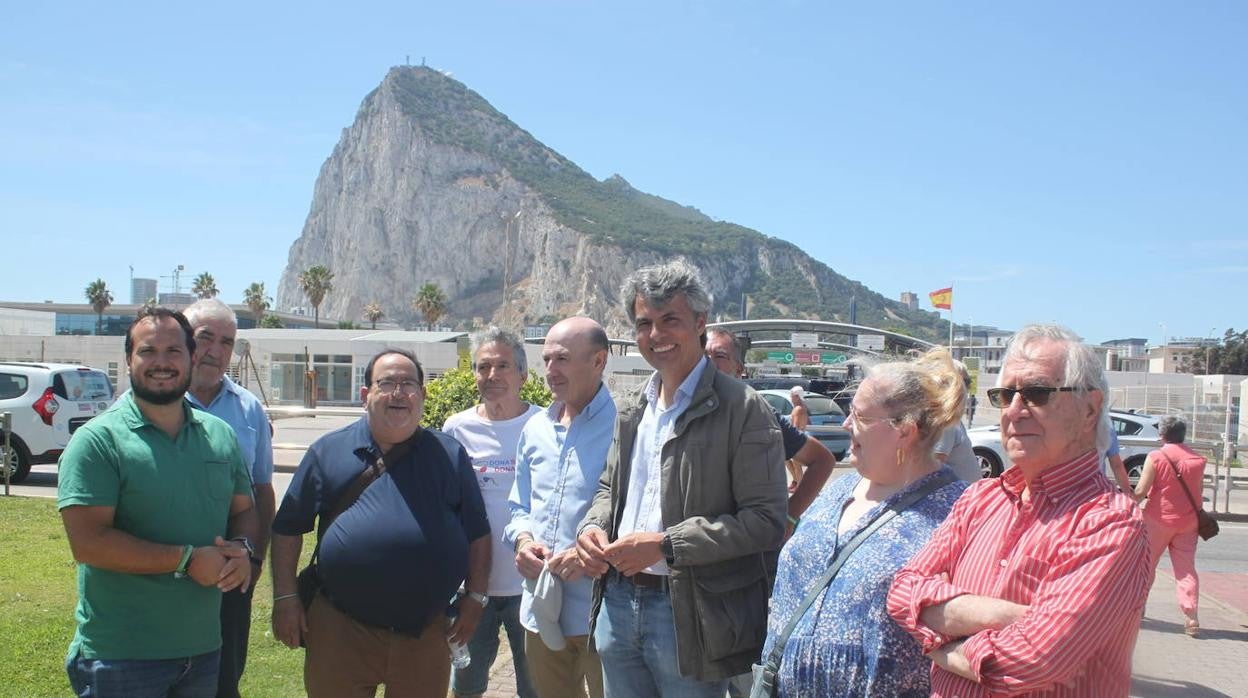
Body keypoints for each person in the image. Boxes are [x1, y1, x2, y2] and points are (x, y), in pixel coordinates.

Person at [887, 324, 1152, 696]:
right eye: (1004, 395)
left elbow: (1029, 661)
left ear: (1090, 409)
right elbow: (901, 592)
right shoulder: (980, 499)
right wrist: (1003, 616)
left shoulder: (1109, 523)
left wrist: (935, 642)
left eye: (1036, 394)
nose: (1013, 410)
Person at [576, 260, 787, 696]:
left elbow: (766, 521)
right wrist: (593, 526)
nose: (656, 335)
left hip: (690, 613)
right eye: (644, 323)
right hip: (616, 602)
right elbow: (607, 490)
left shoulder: (743, 409)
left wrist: (666, 544)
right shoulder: (633, 405)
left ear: (700, 323)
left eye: (670, 320)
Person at [58, 307, 258, 697]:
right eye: (148, 351)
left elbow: (245, 510)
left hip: (203, 650)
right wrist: (186, 559)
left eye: (174, 351)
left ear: (191, 357)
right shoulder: (98, 441)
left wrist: (244, 549)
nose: (162, 362)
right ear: (128, 360)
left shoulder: (220, 435)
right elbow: (88, 542)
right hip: (122, 656)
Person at [270, 349, 491, 698]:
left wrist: (476, 598)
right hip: (340, 630)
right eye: (387, 382)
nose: (399, 392)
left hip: (426, 633)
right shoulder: (327, 451)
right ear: (365, 395)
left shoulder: (449, 455)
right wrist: (285, 598)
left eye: (409, 383)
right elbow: (287, 528)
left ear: (423, 394)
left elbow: (477, 533)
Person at [761, 349, 969, 696]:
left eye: (858, 415)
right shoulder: (837, 492)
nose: (845, 423)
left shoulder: (957, 511)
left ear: (904, 429)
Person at [504, 316, 615, 698]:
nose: (550, 369)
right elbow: (519, 504)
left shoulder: (626, 426)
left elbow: (644, 515)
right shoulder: (535, 427)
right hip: (540, 612)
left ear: (598, 361)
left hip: (604, 615)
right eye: (547, 358)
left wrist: (594, 554)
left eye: (562, 359)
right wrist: (521, 541)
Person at [442, 328, 541, 698]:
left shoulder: (544, 425)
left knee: (535, 688)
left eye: (503, 366)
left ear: (523, 376)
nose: (492, 375)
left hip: (529, 588)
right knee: (466, 685)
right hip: (472, 589)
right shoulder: (456, 427)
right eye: (483, 367)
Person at [184, 298, 276, 698]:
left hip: (231, 568)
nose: (217, 351)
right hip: (158, 570)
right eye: (206, 338)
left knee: (223, 679)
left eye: (227, 342)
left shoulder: (248, 409)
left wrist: (254, 559)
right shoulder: (146, 403)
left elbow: (262, 490)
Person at [704, 327, 836, 531]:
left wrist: (790, 517)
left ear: (739, 369)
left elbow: (823, 460)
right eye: (703, 355)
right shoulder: (677, 408)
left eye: (720, 355)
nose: (709, 362)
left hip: (744, 544)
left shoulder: (758, 413)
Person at [1134, 415, 1209, 637]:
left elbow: (1140, 491)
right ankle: (1191, 617)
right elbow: (1199, 492)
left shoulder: (1156, 457)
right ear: (1183, 434)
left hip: (1158, 519)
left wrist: (1125, 502)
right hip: (1188, 522)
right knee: (1186, 570)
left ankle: (1138, 609)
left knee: (1146, 565)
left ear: (1162, 435)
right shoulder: (1198, 460)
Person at [932, 363, 980, 482]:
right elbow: (934, 467)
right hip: (958, 498)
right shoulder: (945, 419)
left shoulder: (952, 417)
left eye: (968, 382)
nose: (966, 388)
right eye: (963, 382)